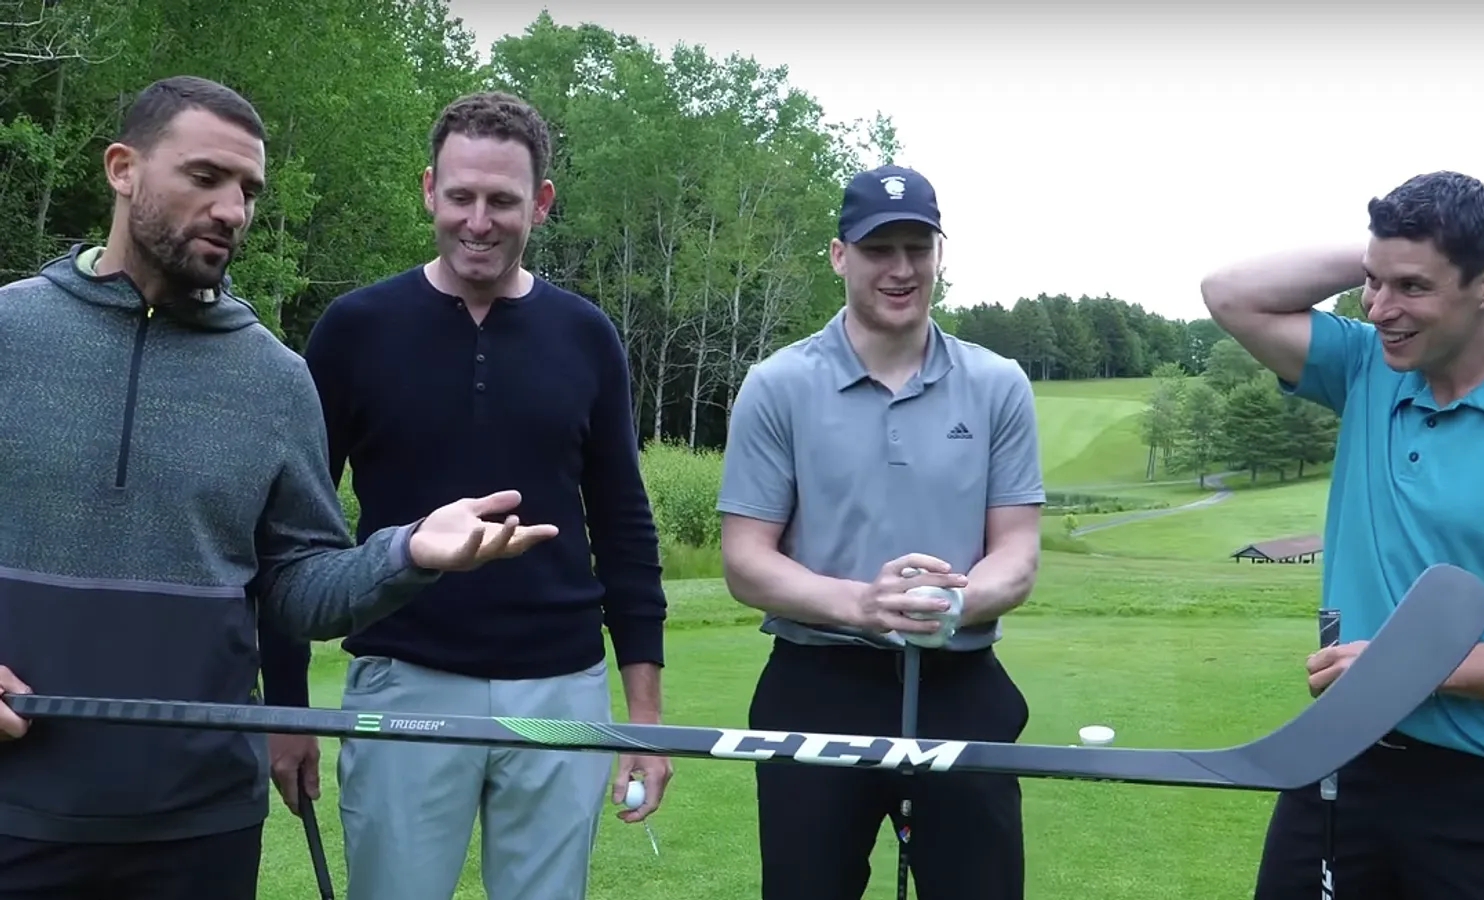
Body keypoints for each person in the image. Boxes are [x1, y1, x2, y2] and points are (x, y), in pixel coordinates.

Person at [0, 75, 554, 900]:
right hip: (17, 808)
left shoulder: (274, 376)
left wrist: (407, 552)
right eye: (205, 178)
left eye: (249, 190)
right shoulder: (12, 334)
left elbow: (297, 587)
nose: (233, 209)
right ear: (122, 168)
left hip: (200, 823)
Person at [256, 90, 671, 900]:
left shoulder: (587, 337)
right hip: (404, 679)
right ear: (428, 191)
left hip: (562, 688)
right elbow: (292, 538)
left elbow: (624, 529)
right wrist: (288, 714)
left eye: (503, 201)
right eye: (461, 197)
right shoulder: (353, 328)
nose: (479, 221)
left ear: (540, 203)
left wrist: (644, 720)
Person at [1201, 170, 1484, 899]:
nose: (1381, 308)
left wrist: (1412, 668)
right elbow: (1230, 293)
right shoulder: (1369, 369)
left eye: (1412, 286)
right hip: (1336, 768)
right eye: (1372, 283)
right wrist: (1387, 254)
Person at [715, 164, 1045, 900]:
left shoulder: (997, 384)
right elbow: (745, 561)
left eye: (917, 249)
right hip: (816, 684)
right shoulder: (779, 385)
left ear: (938, 256)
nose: (901, 269)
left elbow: (1017, 552)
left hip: (961, 684)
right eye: (878, 249)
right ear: (840, 255)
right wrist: (863, 605)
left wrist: (957, 601)